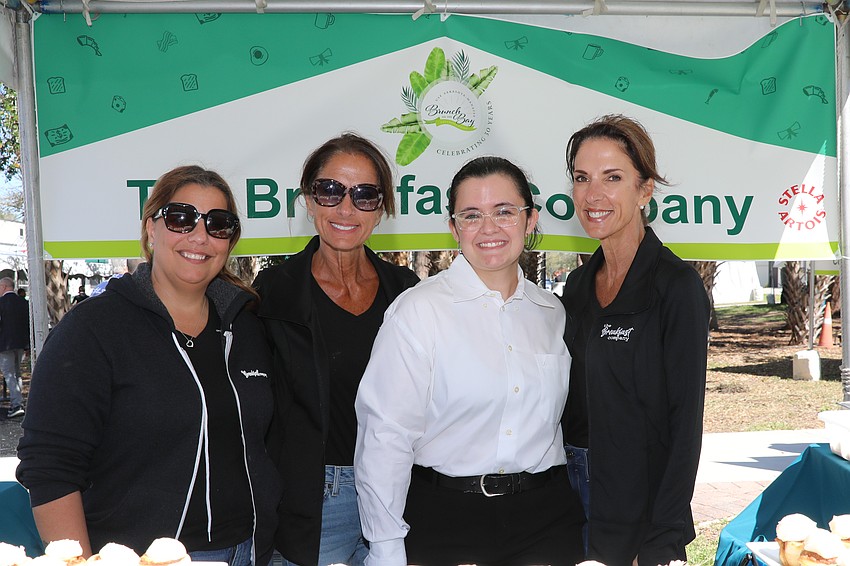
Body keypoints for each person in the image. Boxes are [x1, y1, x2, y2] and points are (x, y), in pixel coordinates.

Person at [16, 165, 281, 566]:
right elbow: (50, 466)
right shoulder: (94, 328)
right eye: (180, 218)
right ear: (151, 228)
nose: (199, 235)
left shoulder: (246, 327)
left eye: (218, 224)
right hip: (138, 556)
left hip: (249, 552)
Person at [354, 156, 585, 566]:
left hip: (545, 523)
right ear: (453, 227)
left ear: (530, 219)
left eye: (504, 211)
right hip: (444, 520)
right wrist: (386, 548)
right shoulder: (417, 311)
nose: (489, 228)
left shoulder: (552, 312)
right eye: (472, 215)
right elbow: (385, 438)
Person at [253, 133, 418, 566]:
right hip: (315, 503)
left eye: (365, 195)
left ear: (381, 209)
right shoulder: (273, 294)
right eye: (330, 191)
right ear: (308, 199)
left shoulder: (406, 294)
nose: (346, 209)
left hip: (402, 496)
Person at [561, 114, 710, 566]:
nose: (593, 195)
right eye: (582, 178)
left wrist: (663, 539)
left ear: (644, 191)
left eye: (613, 178)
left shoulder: (675, 286)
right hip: (570, 501)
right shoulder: (578, 286)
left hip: (639, 513)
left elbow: (686, 426)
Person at [0, 276, 29, 418]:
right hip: (20, 343)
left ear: (3, 287)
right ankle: (18, 401)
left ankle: (16, 403)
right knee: (16, 373)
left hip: (4, 343)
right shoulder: (23, 303)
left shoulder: (1, 303)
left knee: (9, 373)